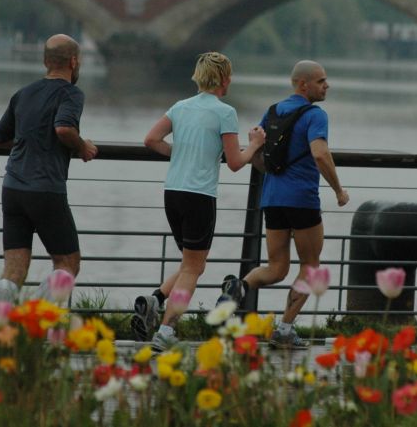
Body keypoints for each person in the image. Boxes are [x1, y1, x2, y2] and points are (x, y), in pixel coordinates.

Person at [132, 52, 265, 351]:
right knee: (194, 267)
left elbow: (151, 140)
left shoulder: (180, 107)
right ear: (224, 79)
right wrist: (255, 144)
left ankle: (156, 300)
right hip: (200, 195)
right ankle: (166, 331)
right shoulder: (225, 112)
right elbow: (234, 162)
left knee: (190, 261)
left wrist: (180, 154)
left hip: (173, 192)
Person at [221, 60, 349, 349]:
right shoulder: (316, 115)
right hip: (302, 199)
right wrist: (339, 190)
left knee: (277, 268)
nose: (327, 86)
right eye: (321, 81)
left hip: (272, 198)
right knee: (311, 267)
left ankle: (239, 286)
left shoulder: (273, 112)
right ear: (303, 85)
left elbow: (258, 157)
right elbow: (319, 154)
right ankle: (285, 329)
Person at [0, 34, 98, 304]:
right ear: (74, 61)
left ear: (45, 61)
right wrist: (82, 146)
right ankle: (35, 322)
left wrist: (30, 140)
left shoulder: (23, 93)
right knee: (68, 264)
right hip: (46, 189)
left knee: (13, 270)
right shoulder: (71, 94)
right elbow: (63, 128)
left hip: (12, 186)